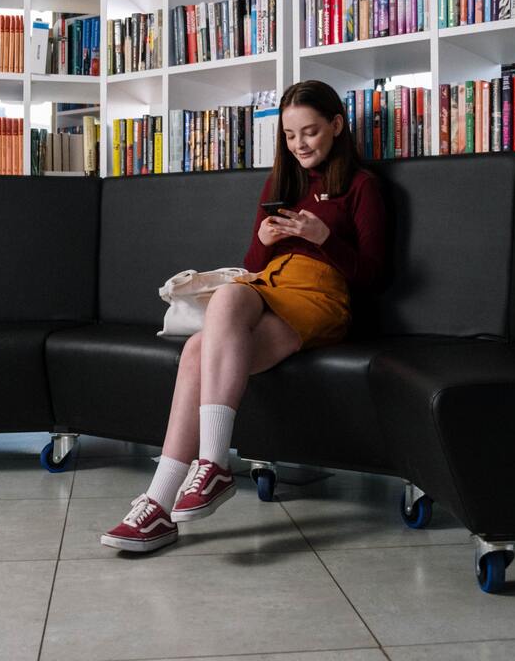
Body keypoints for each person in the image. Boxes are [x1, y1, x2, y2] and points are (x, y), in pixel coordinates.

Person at [100, 79, 387, 553]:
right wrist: (268, 241)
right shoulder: (280, 182)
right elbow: (253, 267)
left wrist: (324, 240)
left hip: (321, 296)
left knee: (227, 303)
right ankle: (159, 502)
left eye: (310, 132)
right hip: (271, 285)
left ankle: (212, 465)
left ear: (337, 125)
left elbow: (374, 276)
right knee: (198, 345)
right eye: (291, 136)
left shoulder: (362, 186)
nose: (300, 145)